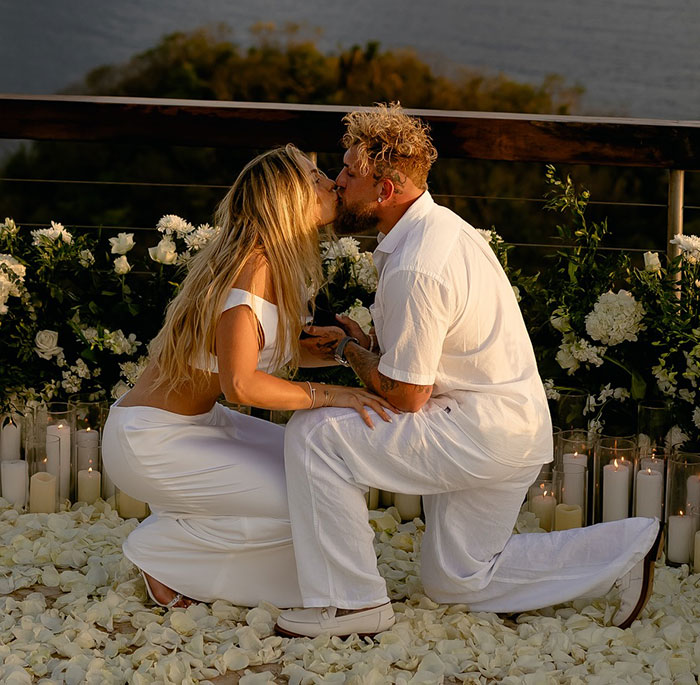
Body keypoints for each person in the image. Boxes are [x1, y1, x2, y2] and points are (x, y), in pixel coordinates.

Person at [275, 104, 663, 638]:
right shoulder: (439, 229)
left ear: (385, 189)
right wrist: (366, 345)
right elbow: (432, 356)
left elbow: (407, 396)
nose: (337, 182)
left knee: (315, 435)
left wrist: (345, 351)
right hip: (511, 427)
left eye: (347, 173)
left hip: (477, 432)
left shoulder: (417, 264)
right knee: (457, 582)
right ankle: (628, 544)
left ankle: (351, 604)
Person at [102, 145, 394, 610]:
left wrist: (349, 353)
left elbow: (267, 354)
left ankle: (189, 525)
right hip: (152, 442)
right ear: (286, 199)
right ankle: (163, 551)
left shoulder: (271, 262)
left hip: (200, 425)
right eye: (315, 178)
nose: (332, 184)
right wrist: (333, 395)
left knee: (322, 478)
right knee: (303, 497)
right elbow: (241, 384)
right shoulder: (252, 270)